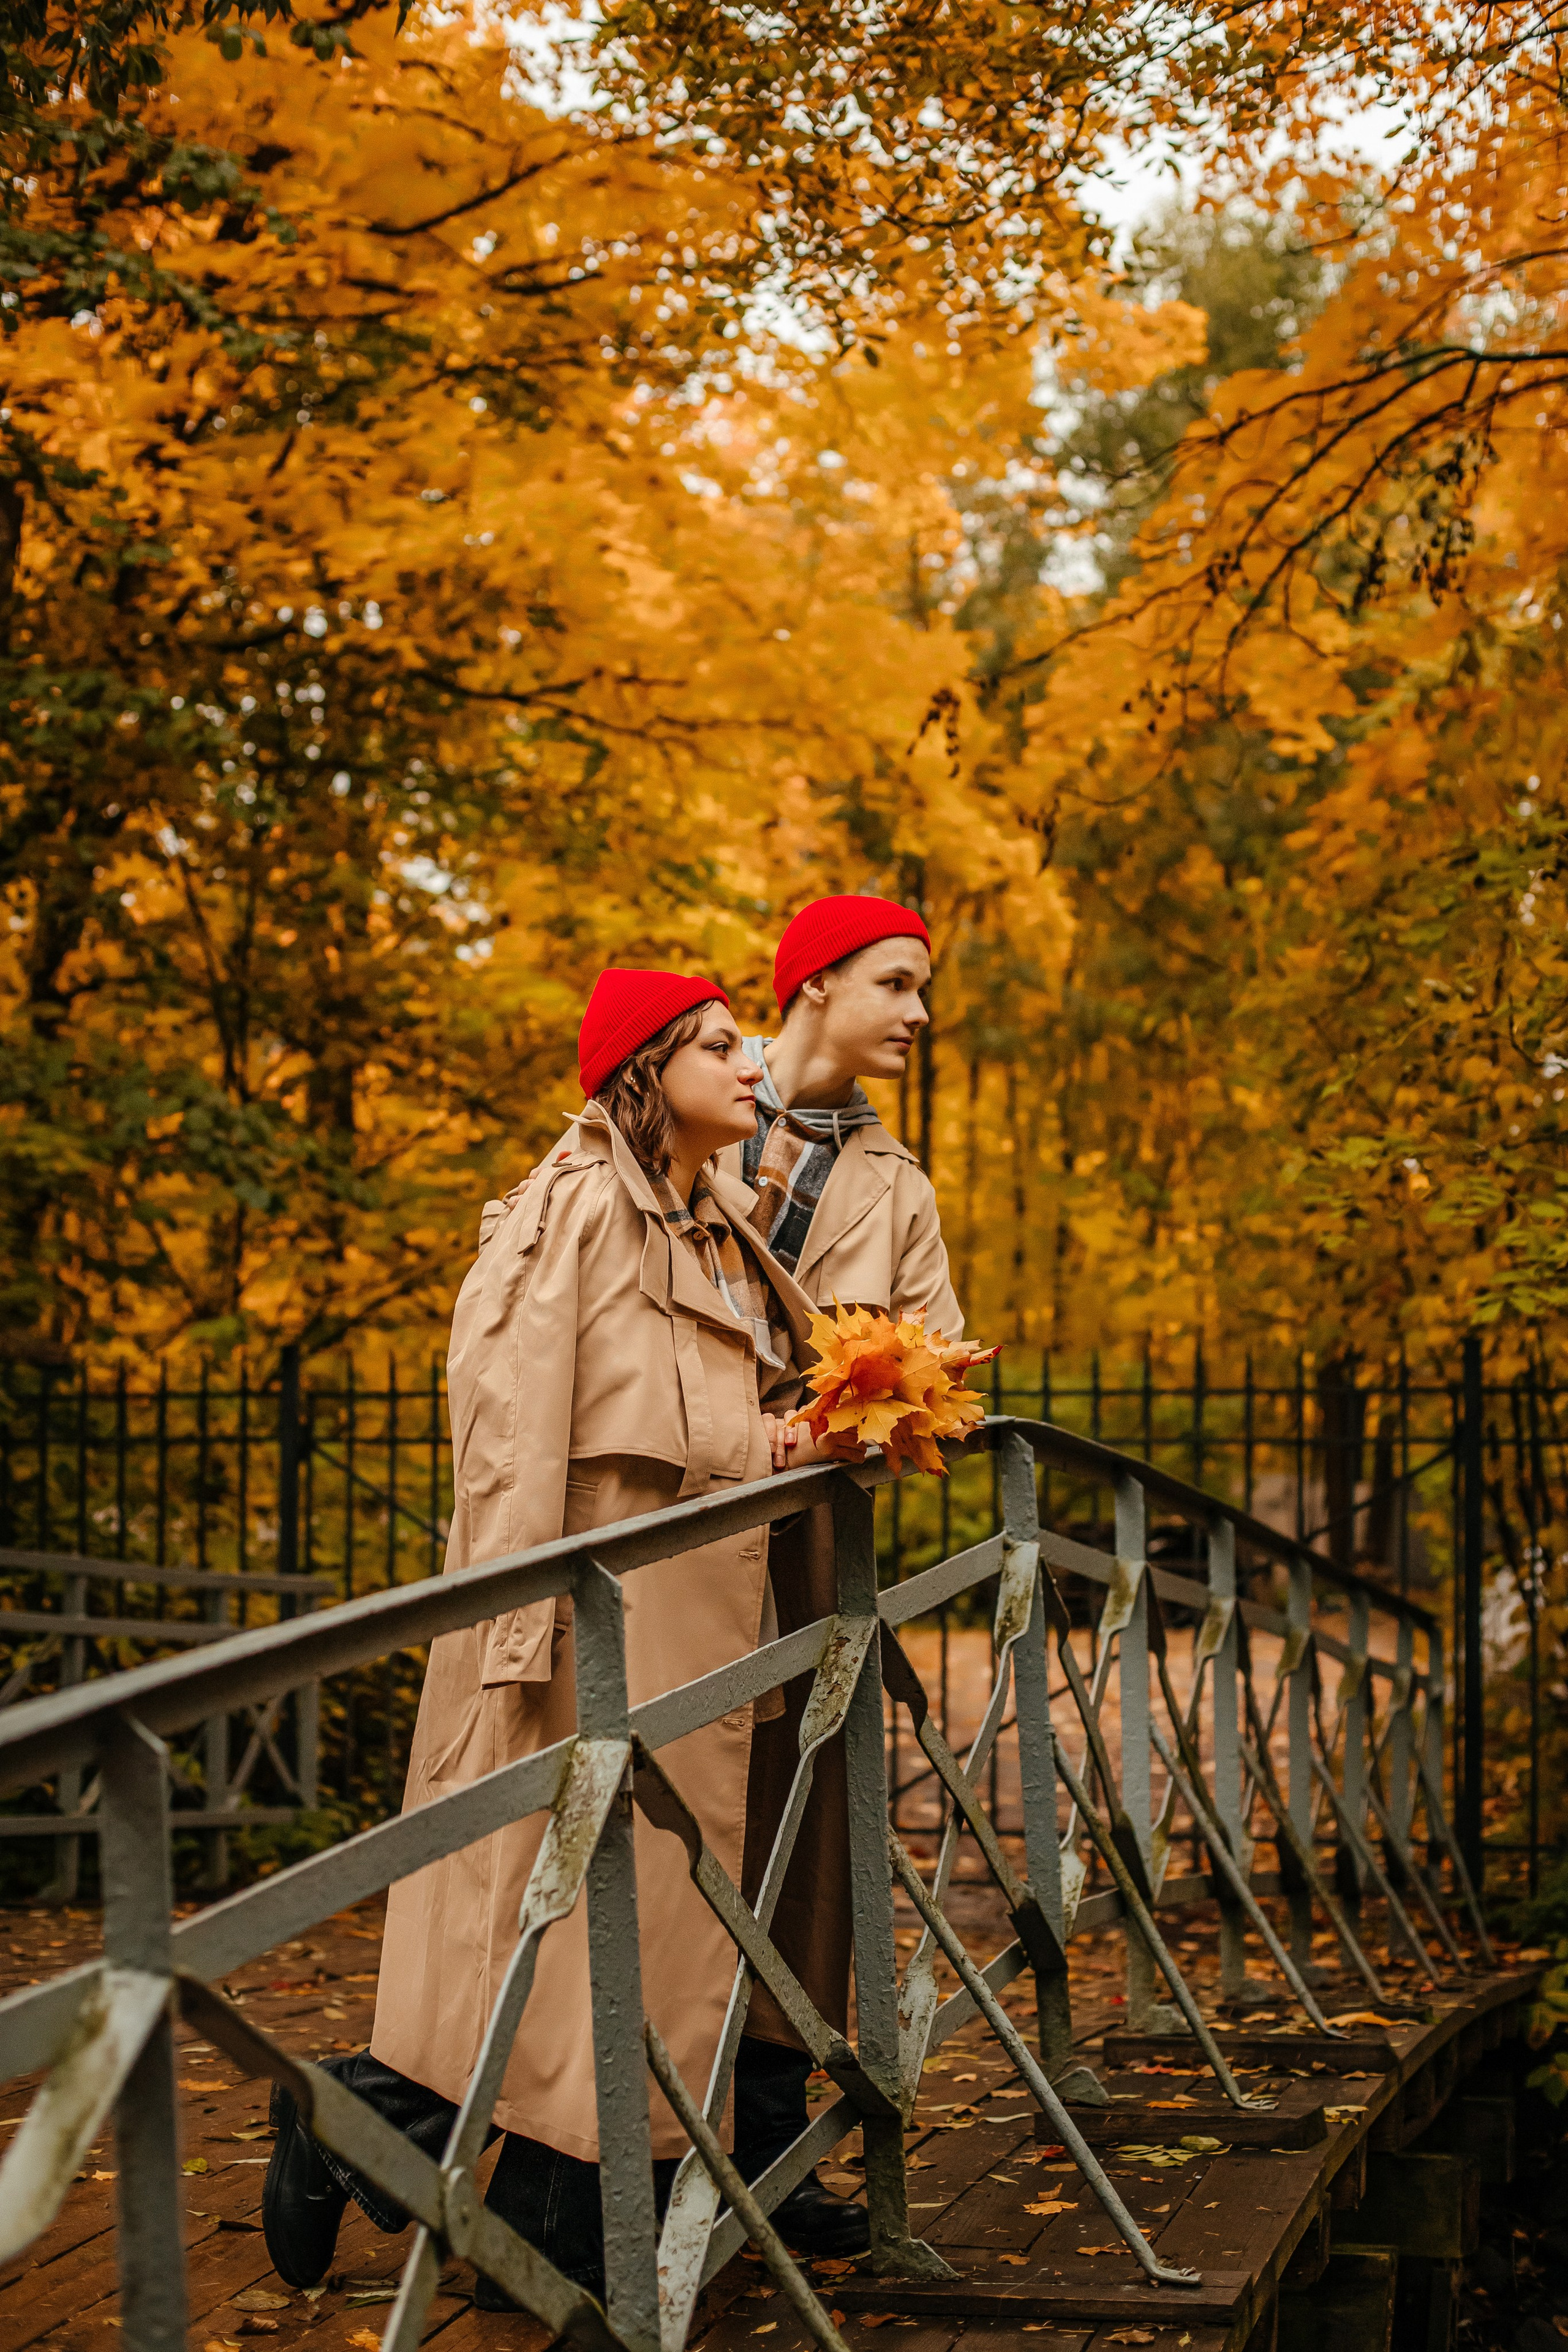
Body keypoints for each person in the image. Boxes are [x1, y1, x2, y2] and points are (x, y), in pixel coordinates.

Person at [262, 970, 822, 2307]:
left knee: (623, 1933)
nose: (752, 1066)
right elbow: (511, 1438)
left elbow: (714, 1424)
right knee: (550, 1921)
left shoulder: (711, 1221)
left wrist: (818, 1432)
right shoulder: (569, 1210)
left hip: (684, 1629)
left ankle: (551, 2216)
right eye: (719, 1047)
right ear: (645, 1067)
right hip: (589, 1626)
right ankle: (361, 2125)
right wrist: (514, 1635)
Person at [711, 895, 964, 2255]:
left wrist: (878, 1397)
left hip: (806, 1541)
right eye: (897, 983)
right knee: (647, 1816)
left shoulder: (898, 1184)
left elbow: (938, 1359)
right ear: (813, 982)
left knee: (800, 1835)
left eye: (922, 987)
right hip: (665, 1520)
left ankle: (767, 2149)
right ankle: (570, 2139)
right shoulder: (693, 1095)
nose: (919, 1013)